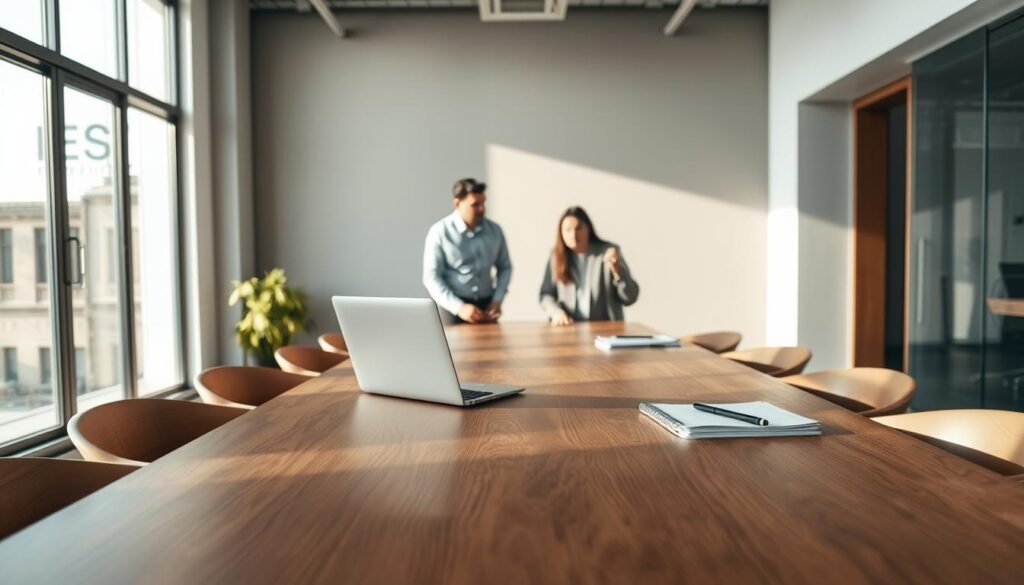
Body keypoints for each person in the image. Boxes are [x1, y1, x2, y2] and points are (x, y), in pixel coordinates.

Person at [423, 178, 512, 324]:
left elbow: (505, 267)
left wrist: (497, 300)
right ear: (457, 204)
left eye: (483, 203)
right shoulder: (439, 232)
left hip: (487, 308)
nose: (482, 209)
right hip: (452, 310)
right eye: (475, 205)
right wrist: (459, 307)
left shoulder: (495, 231)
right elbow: (431, 277)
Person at [539, 206, 639, 326]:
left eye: (579, 228)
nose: (573, 234)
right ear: (561, 232)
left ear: (588, 229)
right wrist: (556, 312)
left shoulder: (608, 254)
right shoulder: (556, 257)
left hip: (606, 330)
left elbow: (630, 298)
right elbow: (546, 294)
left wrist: (618, 272)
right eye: (568, 230)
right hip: (570, 328)